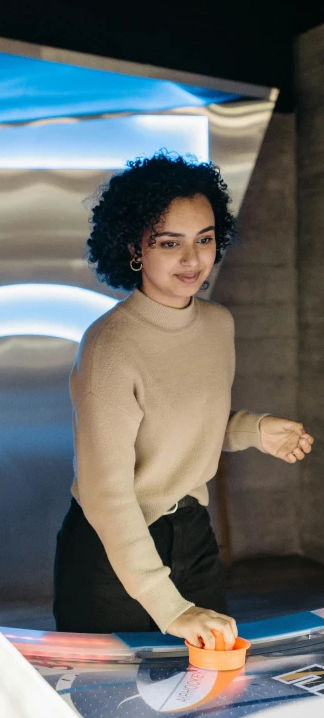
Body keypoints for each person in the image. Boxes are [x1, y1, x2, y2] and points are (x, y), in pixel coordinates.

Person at [53, 152, 314, 652]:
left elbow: (182, 426)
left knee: (206, 692)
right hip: (113, 549)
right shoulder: (110, 345)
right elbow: (107, 494)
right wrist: (170, 607)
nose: (193, 260)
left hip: (192, 535)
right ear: (134, 248)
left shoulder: (219, 325)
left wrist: (253, 430)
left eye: (205, 239)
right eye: (170, 243)